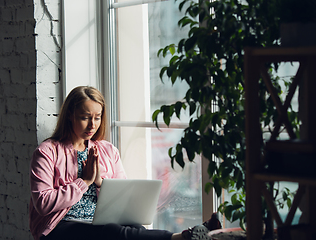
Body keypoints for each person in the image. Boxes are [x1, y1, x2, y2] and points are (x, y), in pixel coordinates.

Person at [29, 86, 209, 240]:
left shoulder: (107, 150)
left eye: (97, 117)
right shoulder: (47, 152)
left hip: (99, 220)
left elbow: (123, 197)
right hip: (61, 225)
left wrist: (100, 182)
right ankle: (179, 237)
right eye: (85, 117)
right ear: (70, 115)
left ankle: (188, 235)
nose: (93, 125)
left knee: (135, 228)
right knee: (113, 232)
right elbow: (43, 204)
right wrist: (84, 182)